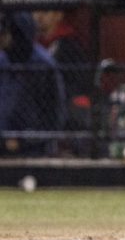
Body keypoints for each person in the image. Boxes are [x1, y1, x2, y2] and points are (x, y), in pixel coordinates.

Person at [0, 11, 66, 156]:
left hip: (35, 150)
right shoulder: (3, 60)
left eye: (5, 33)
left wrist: (23, 141)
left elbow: (54, 116)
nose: (2, 38)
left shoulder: (43, 64)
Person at [32, 10, 92, 132]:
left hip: (63, 104)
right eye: (35, 11)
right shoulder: (30, 46)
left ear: (58, 15)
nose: (39, 16)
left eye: (46, 12)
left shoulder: (69, 44)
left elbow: (78, 83)